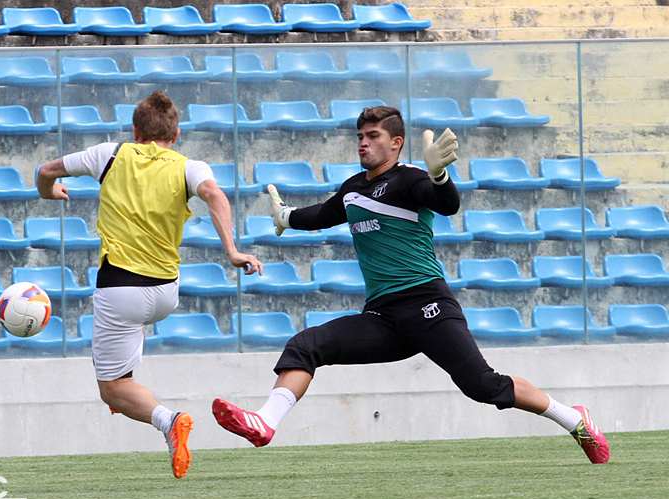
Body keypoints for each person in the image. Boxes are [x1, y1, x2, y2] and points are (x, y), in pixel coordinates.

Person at [212, 105, 608, 464]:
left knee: (482, 385)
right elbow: (322, 214)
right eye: (360, 137)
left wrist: (440, 175)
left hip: (427, 305)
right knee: (305, 345)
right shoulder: (353, 188)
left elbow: (447, 203)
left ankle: (574, 419)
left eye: (373, 136)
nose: (363, 143)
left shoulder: (411, 180)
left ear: (396, 143)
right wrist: (286, 216)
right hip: (382, 317)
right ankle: (265, 421)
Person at [38, 90, 263, 479]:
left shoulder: (109, 154)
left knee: (111, 389)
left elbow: (46, 171)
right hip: (165, 292)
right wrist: (232, 251)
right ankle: (128, 390)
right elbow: (214, 194)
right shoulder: (189, 167)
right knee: (127, 356)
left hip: (121, 289)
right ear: (175, 135)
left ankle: (167, 421)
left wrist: (51, 192)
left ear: (135, 131)